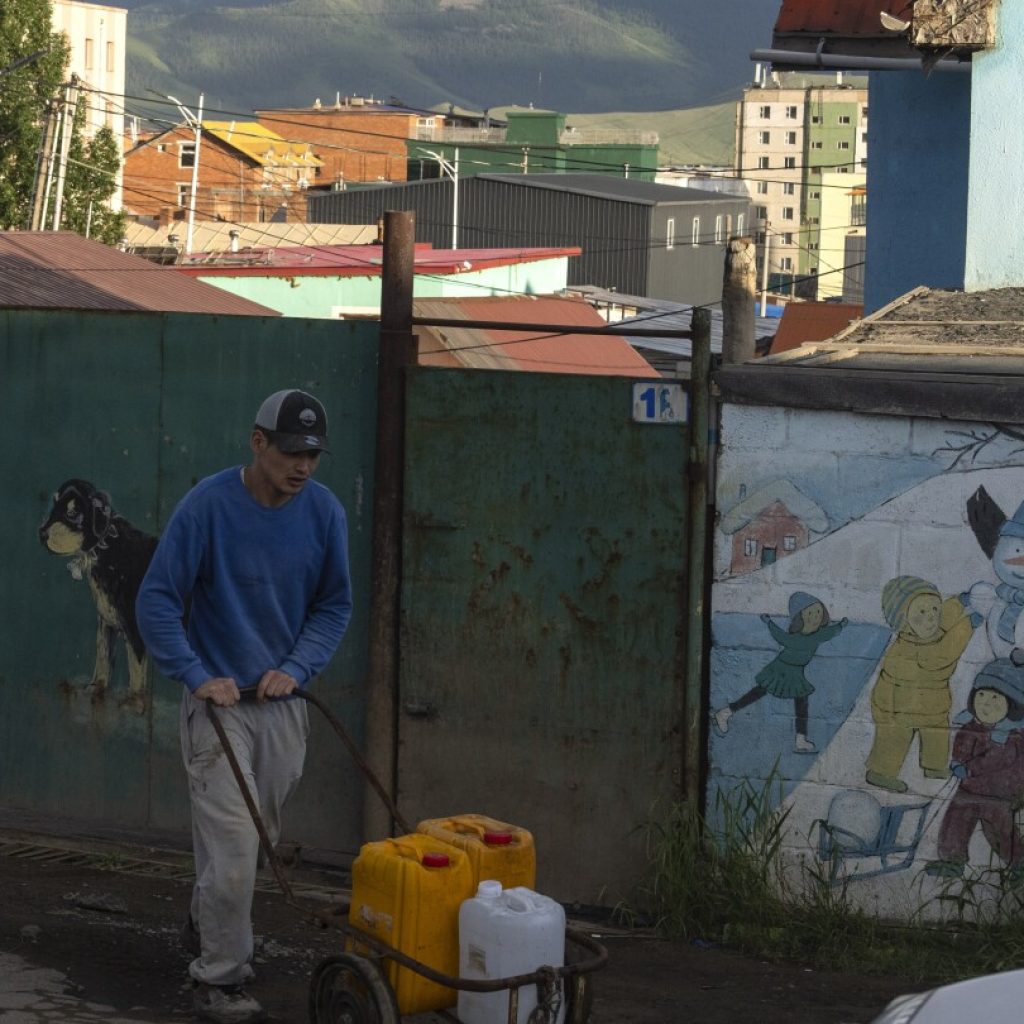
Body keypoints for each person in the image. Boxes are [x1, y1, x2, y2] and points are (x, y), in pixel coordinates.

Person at [136, 389, 352, 1024]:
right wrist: (198, 675)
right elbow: (157, 600)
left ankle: (206, 921)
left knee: (259, 841)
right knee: (234, 852)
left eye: (313, 455)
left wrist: (297, 666)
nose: (303, 467)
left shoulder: (325, 514)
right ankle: (218, 979)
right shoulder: (206, 507)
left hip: (282, 703)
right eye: (291, 453)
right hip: (220, 707)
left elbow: (333, 605)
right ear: (258, 443)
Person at [864, 575, 976, 794]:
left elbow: (942, 621)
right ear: (904, 621)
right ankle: (880, 772)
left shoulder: (926, 630)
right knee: (894, 737)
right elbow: (943, 654)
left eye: (935, 609)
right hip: (898, 705)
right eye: (921, 613)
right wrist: (967, 625)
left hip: (931, 703)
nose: (931, 618)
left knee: (936, 731)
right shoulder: (912, 646)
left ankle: (934, 766)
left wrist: (959, 602)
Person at [713, 591, 846, 753]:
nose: (816, 617)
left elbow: (830, 632)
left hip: (796, 673)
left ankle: (800, 739)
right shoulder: (794, 638)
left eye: (819, 612)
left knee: (801, 702)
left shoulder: (818, 635)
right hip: (781, 669)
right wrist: (769, 622)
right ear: (799, 619)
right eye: (810, 613)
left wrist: (841, 625)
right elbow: (780, 636)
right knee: (759, 692)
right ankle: (725, 712)